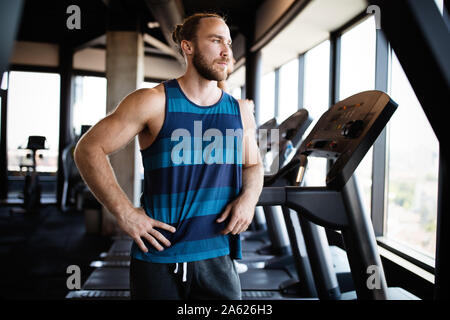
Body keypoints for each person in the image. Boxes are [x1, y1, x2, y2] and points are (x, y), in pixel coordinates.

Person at [74, 12, 264, 300]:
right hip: (159, 256)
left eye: (228, 42)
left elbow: (253, 166)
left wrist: (249, 199)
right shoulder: (152, 101)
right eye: (216, 41)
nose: (227, 50)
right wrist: (124, 213)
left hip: (218, 256)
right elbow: (88, 149)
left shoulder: (240, 111)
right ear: (188, 46)